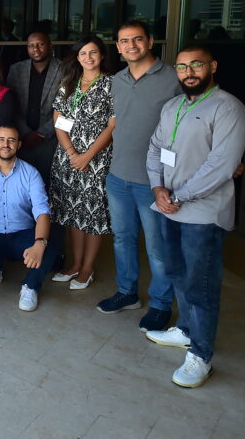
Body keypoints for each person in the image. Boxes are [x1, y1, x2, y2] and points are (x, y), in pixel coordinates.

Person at [144, 45, 245, 388]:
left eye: (196, 65)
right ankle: (187, 330)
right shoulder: (173, 106)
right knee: (175, 270)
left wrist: (179, 195)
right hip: (167, 206)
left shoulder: (229, 109)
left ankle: (201, 355)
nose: (189, 72)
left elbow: (220, 166)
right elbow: (154, 149)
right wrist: (158, 189)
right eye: (182, 67)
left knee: (201, 286)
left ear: (212, 67)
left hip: (202, 214)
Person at [96, 21, 181, 331]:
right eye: (124, 41)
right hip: (118, 175)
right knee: (123, 238)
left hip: (155, 181)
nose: (131, 45)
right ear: (117, 47)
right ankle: (127, 292)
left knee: (158, 246)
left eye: (137, 39)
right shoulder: (117, 80)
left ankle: (160, 304)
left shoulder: (172, 78)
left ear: (150, 41)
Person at [0, 125, 63, 312]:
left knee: (51, 243)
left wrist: (39, 243)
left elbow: (42, 211)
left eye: (11, 140)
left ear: (19, 145)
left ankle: (30, 286)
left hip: (23, 234)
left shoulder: (31, 173)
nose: (6, 144)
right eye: (2, 139)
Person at [49, 35, 115, 291]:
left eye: (93, 52)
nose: (88, 58)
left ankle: (87, 268)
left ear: (102, 55)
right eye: (83, 53)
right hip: (67, 159)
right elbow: (58, 117)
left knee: (93, 215)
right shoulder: (70, 83)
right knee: (74, 213)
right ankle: (75, 263)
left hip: (96, 161)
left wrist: (86, 156)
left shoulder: (111, 84)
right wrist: (71, 152)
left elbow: (113, 125)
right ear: (77, 57)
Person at [6, 31, 62, 184]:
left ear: (50, 46)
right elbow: (10, 105)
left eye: (40, 44)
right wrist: (26, 133)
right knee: (21, 182)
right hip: (22, 139)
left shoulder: (64, 69)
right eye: (31, 45)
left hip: (50, 140)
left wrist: (42, 134)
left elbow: (67, 108)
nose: (35, 49)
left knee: (48, 183)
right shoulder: (16, 69)